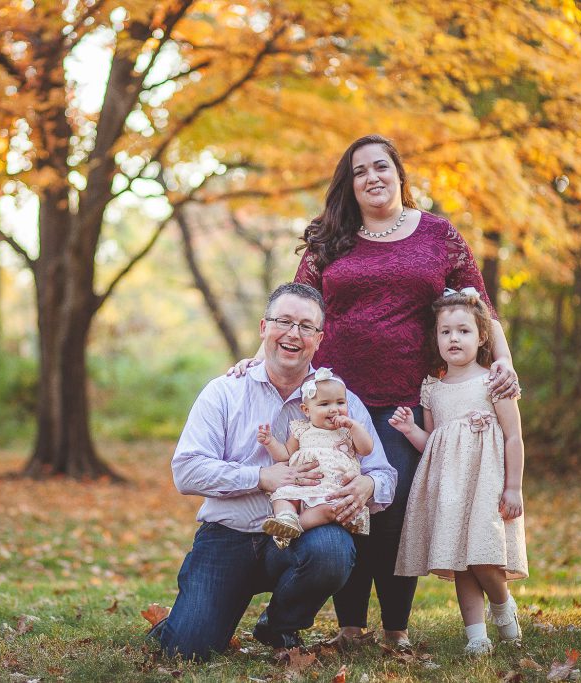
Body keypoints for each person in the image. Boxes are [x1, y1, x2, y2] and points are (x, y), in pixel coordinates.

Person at [230, 134, 520, 648]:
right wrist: (255, 363)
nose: (372, 177)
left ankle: (396, 631)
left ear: (399, 175)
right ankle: (349, 629)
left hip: (410, 400)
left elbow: (483, 308)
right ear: (350, 184)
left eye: (381, 166)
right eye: (359, 170)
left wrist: (504, 362)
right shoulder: (330, 238)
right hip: (335, 403)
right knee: (344, 503)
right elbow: (297, 305)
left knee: (395, 513)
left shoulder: (437, 234)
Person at [150, 283, 397, 661]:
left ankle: (279, 625)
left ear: (319, 338)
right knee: (188, 649)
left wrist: (367, 484)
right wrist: (262, 478)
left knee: (332, 550)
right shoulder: (224, 392)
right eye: (284, 321)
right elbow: (187, 470)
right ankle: (185, 621)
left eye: (306, 326)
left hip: (304, 536)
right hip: (228, 537)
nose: (293, 334)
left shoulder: (339, 399)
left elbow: (385, 474)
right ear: (264, 327)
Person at [389, 289, 528, 655]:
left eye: (463, 331)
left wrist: (513, 487)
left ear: (482, 336)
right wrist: (410, 431)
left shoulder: (494, 381)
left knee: (483, 557)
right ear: (435, 338)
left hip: (486, 484)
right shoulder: (432, 388)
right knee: (461, 562)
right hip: (450, 488)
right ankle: (476, 636)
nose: (454, 338)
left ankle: (502, 607)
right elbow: (434, 442)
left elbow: (514, 437)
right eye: (445, 331)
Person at [257, 367, 373, 549]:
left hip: (332, 492)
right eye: (324, 404)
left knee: (330, 510)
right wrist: (270, 442)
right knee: (282, 498)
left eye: (340, 402)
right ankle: (286, 519)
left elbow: (366, 449)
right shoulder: (301, 429)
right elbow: (285, 454)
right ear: (306, 410)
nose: (334, 409)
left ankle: (294, 528)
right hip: (300, 488)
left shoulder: (347, 431)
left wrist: (354, 427)